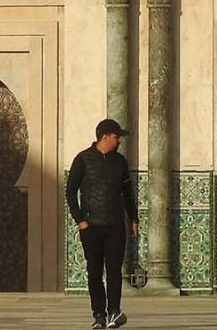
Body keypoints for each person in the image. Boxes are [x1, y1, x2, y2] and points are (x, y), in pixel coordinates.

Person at [66, 118, 139, 329]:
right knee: (95, 271)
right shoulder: (83, 159)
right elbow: (70, 192)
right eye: (117, 137)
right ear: (105, 137)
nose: (119, 142)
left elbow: (127, 193)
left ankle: (114, 312)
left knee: (114, 270)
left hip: (115, 225)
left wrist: (133, 217)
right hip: (91, 227)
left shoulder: (120, 162)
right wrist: (80, 221)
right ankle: (99, 314)